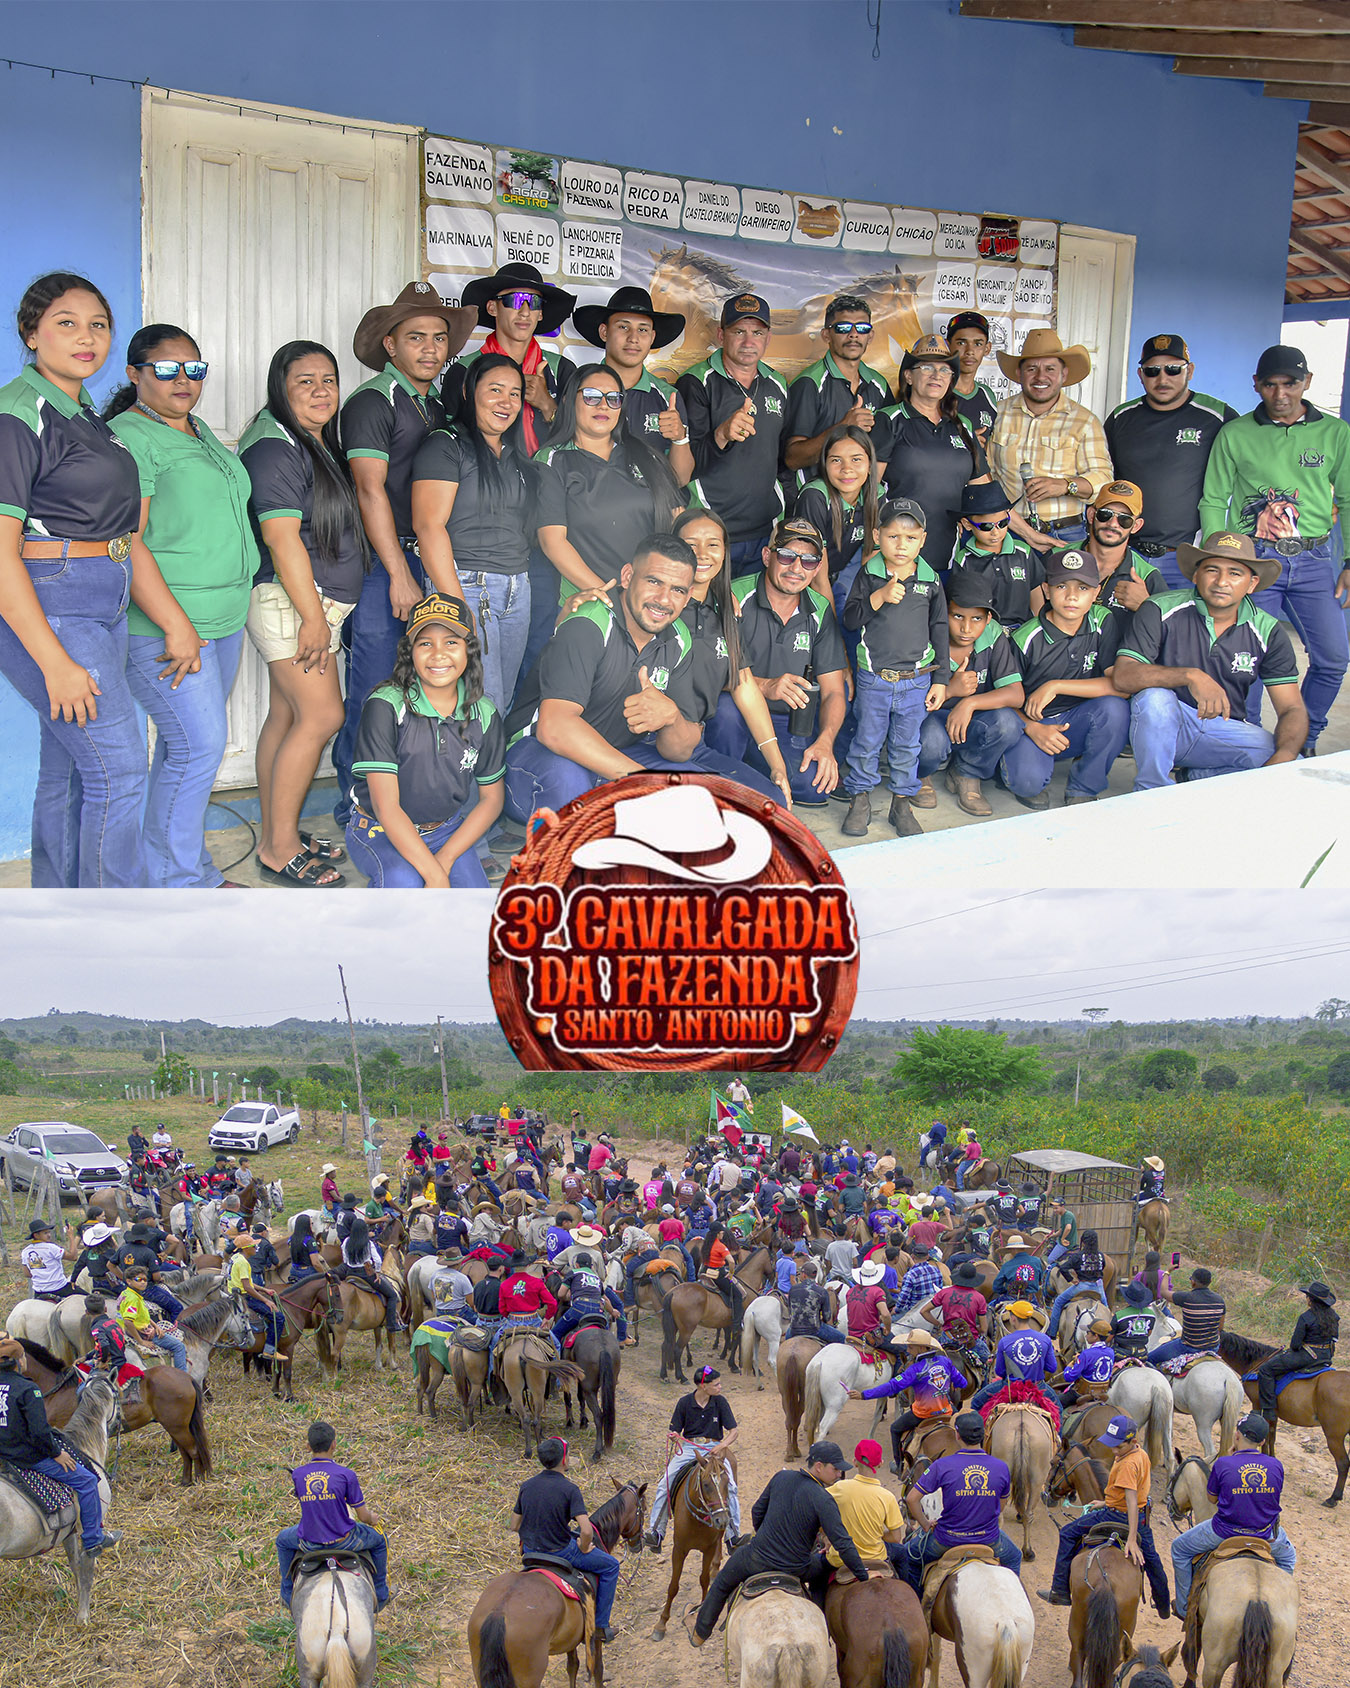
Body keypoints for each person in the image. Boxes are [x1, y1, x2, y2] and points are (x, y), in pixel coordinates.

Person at [0, 273, 146, 886]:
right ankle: (112, 930)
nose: (86, 337)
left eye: (99, 324)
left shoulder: (82, 411)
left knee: (67, 766)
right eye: (66, 322)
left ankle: (58, 913)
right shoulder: (19, 413)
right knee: (120, 770)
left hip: (100, 595)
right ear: (32, 333)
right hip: (54, 603)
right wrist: (55, 662)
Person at [100, 323, 254, 887]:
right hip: (167, 627)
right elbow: (128, 541)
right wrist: (175, 625)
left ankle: (179, 869)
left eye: (195, 368)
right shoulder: (130, 437)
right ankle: (178, 885)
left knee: (185, 750)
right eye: (167, 369)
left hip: (222, 619)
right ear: (135, 373)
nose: (183, 380)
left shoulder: (197, 432)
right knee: (198, 748)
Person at [332, 282, 475, 826]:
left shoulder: (435, 403)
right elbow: (370, 490)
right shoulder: (372, 402)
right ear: (390, 345)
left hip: (428, 557)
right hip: (382, 566)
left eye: (439, 338)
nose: (431, 348)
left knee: (427, 688)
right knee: (375, 693)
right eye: (416, 337)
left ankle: (413, 806)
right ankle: (358, 811)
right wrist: (398, 573)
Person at [240, 340, 366, 888]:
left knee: (287, 717)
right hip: (294, 604)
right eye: (304, 381)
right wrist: (313, 617)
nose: (320, 391)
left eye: (328, 380)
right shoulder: (274, 447)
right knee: (322, 717)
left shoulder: (306, 440)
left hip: (307, 603)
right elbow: (281, 536)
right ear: (280, 387)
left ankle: (278, 829)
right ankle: (278, 848)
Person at [1198, 343, 1350, 754]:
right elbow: (1214, 499)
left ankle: (1305, 739)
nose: (1280, 393)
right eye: (1270, 384)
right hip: (1253, 559)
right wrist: (1220, 559)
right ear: (1256, 385)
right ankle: (1245, 739)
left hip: (1315, 560)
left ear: (1307, 382)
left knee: (1333, 658)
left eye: (1290, 383)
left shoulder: (1336, 432)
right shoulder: (1236, 433)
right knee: (1242, 659)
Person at [503, 534, 705, 821]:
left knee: (701, 793)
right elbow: (555, 728)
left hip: (614, 757)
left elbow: (679, 751)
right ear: (627, 576)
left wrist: (671, 717)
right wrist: (642, 781)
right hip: (539, 757)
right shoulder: (589, 622)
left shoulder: (679, 639)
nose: (663, 599)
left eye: (677, 590)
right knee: (571, 785)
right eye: (654, 581)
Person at [1114, 530, 1307, 789]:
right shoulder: (1160, 608)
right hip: (1163, 727)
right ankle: (1151, 790)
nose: (1222, 581)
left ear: (1251, 583)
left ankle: (1196, 777)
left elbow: (1291, 708)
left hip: (1223, 730)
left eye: (1235, 573)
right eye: (1212, 570)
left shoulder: (1268, 630)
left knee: (1291, 762)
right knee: (1154, 699)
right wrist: (1190, 675)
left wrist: (1283, 758)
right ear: (1196, 575)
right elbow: (1123, 676)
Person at [343, 592, 504, 888]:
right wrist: (433, 875)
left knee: (473, 913)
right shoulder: (387, 706)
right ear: (410, 652)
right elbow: (387, 807)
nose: (438, 654)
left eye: (451, 642)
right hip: (378, 829)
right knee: (405, 884)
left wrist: (444, 860)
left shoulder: (485, 714)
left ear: (469, 651)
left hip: (445, 831)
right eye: (425, 643)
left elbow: (492, 799)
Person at [407, 355, 533, 728]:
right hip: (466, 586)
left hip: (516, 588)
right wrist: (457, 607)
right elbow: (428, 527)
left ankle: (489, 783)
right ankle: (466, 785)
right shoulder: (446, 445)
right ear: (468, 391)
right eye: (494, 390)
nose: (506, 402)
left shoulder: (511, 454)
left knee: (500, 702)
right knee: (478, 702)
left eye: (514, 393)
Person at [704, 516, 849, 806]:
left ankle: (750, 774)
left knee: (814, 786)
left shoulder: (819, 609)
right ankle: (725, 778)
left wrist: (825, 742)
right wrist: (765, 686)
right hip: (737, 717)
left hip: (785, 722)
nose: (796, 568)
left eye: (808, 561)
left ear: (818, 568)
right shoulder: (733, 595)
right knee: (726, 711)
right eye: (786, 556)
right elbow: (702, 675)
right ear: (767, 556)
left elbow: (834, 690)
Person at [662, 506, 793, 805]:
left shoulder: (725, 610)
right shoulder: (657, 604)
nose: (702, 553)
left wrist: (776, 764)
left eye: (712, 544)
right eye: (690, 544)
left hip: (694, 742)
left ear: (725, 552)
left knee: (773, 804)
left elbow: (743, 684)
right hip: (652, 742)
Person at [839, 496, 947, 840]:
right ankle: (860, 799)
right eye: (893, 536)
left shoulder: (930, 580)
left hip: (915, 681)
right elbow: (851, 619)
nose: (902, 546)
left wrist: (941, 679)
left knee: (907, 745)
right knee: (867, 741)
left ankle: (901, 801)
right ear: (877, 535)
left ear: (923, 540)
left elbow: (940, 627)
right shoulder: (868, 575)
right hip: (875, 679)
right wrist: (880, 596)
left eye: (911, 538)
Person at [687, 1440, 867, 1645]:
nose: (839, 1475)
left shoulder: (781, 1477)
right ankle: (822, 1624)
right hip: (797, 1567)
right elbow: (843, 1543)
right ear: (819, 1467)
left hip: (756, 1558)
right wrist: (863, 1576)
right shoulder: (823, 1498)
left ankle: (700, 1632)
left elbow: (757, 1512)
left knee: (721, 1584)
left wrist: (767, 1537)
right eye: (835, 1469)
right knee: (823, 1570)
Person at [1104, 334, 1238, 591]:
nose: (1163, 379)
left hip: (1187, 559)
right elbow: (1103, 477)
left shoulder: (1218, 416)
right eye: (1152, 371)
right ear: (1140, 375)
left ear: (1190, 371)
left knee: (1184, 630)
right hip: (1129, 555)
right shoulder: (1121, 418)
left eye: (1173, 369)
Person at [1001, 550, 1129, 810]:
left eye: (1083, 588)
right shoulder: (1025, 639)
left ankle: (1084, 785)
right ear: (1046, 590)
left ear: (1096, 593)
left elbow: (1120, 687)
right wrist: (1032, 728)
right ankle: (1010, 765)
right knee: (1028, 783)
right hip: (1033, 723)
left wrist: (1056, 685)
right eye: (1061, 586)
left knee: (1115, 709)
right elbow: (1002, 699)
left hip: (1078, 718)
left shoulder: (1102, 621)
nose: (1072, 596)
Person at [678, 293, 791, 572]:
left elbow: (781, 458)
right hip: (712, 534)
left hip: (766, 530)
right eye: (738, 331)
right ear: (721, 335)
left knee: (755, 612)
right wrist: (722, 435)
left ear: (768, 338)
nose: (748, 342)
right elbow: (685, 465)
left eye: (757, 332)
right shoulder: (696, 382)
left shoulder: (777, 383)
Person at [988, 329, 1111, 554]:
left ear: (1064, 374)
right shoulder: (997, 414)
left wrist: (1064, 486)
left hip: (1065, 533)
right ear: (1019, 373)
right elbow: (986, 477)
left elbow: (1103, 481)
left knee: (1065, 590)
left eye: (1050, 369)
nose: (1040, 377)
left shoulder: (1084, 421)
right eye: (1032, 368)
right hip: (1007, 530)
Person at [1170, 1412, 1297, 1623]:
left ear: (1236, 1436)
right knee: (1289, 1558)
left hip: (1224, 1532)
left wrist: (1230, 1461)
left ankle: (1183, 1608)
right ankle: (1283, 1605)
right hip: (1266, 1535)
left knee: (1179, 1549)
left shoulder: (1223, 1465)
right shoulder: (1276, 1466)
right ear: (1263, 1441)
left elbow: (1212, 1499)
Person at [1041, 1414, 1171, 1618]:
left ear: (1133, 1442)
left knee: (1067, 1533)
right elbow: (1127, 1494)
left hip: (1118, 1516)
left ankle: (1060, 1590)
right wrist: (1104, 1501)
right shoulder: (1140, 1455)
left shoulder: (1127, 1465)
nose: (1113, 1450)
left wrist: (1130, 1539)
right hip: (1138, 1516)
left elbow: (1131, 1500)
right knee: (1153, 1560)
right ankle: (1163, 1603)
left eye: (1118, 1446)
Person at [875, 335, 986, 575]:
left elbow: (985, 494)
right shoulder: (889, 420)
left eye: (945, 370)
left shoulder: (962, 426)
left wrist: (1030, 535)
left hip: (947, 555)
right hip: (897, 559)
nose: (937, 375)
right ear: (908, 376)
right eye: (926, 367)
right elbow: (868, 488)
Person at [916, 576, 1025, 818]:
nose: (967, 628)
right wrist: (951, 690)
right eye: (957, 617)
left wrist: (970, 702)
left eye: (977, 618)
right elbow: (904, 703)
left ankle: (966, 773)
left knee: (1009, 723)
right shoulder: (926, 634)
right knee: (930, 742)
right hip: (929, 720)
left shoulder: (992, 634)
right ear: (943, 613)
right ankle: (920, 774)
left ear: (988, 619)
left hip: (972, 721)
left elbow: (1016, 694)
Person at [0, 1336, 119, 1555]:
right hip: (26, 1457)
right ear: (19, 1361)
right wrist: (57, 1454)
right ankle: (93, 1539)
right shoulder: (28, 1390)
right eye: (24, 1357)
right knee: (87, 1480)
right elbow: (38, 1432)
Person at [574, 284, 693, 484]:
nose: (633, 338)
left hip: (651, 512)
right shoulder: (580, 388)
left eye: (643, 329)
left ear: (652, 337)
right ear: (604, 332)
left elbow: (680, 480)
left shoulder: (668, 396)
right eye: (623, 327)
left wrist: (679, 438)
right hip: (590, 509)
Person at [900, 1409, 1021, 1593]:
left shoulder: (942, 1465)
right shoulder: (1001, 1467)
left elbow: (911, 1499)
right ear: (984, 1434)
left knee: (908, 1556)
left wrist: (925, 1525)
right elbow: (1000, 1507)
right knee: (1014, 1557)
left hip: (946, 1539)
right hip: (989, 1539)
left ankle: (916, 1603)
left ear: (957, 1435)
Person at [512, 1436, 620, 1641]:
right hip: (560, 1551)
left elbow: (514, 1525)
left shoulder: (526, 1485)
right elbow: (586, 1530)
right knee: (611, 1566)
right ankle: (601, 1626)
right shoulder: (570, 1489)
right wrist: (585, 1546)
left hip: (530, 1552)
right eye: (569, 1455)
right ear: (564, 1460)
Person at [277, 1419, 389, 1611]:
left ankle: (287, 1593)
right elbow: (362, 1517)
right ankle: (381, 1592)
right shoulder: (346, 1475)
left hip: (309, 1541)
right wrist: (373, 1518)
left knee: (282, 1540)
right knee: (380, 1541)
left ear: (308, 1446)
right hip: (344, 1541)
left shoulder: (298, 1475)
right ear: (334, 1445)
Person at [784, 295, 891, 492]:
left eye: (862, 328)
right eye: (843, 328)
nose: (853, 334)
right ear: (826, 335)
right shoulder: (809, 383)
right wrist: (843, 427)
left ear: (871, 336)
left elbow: (885, 449)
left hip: (858, 506)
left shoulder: (879, 384)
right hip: (813, 503)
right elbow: (792, 458)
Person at [645, 1364, 742, 1551]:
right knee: (664, 1483)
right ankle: (656, 1532)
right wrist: (674, 1435)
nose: (720, 1387)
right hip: (690, 1447)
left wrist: (722, 1445)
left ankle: (732, 1536)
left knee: (731, 1486)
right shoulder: (684, 1403)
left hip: (715, 1447)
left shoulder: (720, 1402)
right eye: (716, 1384)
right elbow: (674, 1430)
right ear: (703, 1386)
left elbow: (734, 1431)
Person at [853, 1329, 968, 1470]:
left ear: (921, 1348)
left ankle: (899, 1465)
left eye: (911, 1347)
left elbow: (892, 1386)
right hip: (947, 1410)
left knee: (895, 1429)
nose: (907, 1349)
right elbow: (963, 1383)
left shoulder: (915, 1370)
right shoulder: (945, 1361)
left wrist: (864, 1395)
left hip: (923, 1414)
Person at [805, 1437, 905, 1597]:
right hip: (876, 1555)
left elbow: (818, 1514)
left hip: (839, 1558)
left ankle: (818, 1605)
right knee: (904, 1555)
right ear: (880, 1463)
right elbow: (896, 1537)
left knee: (816, 1575)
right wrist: (875, 1536)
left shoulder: (838, 1488)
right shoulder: (887, 1496)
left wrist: (826, 1536)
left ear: (855, 1462)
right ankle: (917, 1597)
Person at [948, 479, 1044, 633]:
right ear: (967, 524)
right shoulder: (964, 560)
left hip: (1024, 629)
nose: (995, 532)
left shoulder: (1023, 552)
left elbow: (1035, 591)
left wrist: (1038, 627)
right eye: (986, 526)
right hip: (986, 634)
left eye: (1002, 523)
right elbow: (962, 605)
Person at [1077, 480, 1168, 635]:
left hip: (1119, 658)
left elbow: (1169, 634)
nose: (1113, 524)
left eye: (1124, 519)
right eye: (1105, 514)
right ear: (1092, 515)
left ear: (1136, 526)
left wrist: (1145, 605)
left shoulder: (1147, 576)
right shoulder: (1060, 557)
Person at [1255, 1281, 1339, 1420]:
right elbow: (1334, 1339)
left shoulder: (1306, 1317)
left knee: (1266, 1370)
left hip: (1307, 1357)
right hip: (1326, 1356)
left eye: (1307, 1296)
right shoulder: (1334, 1316)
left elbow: (1295, 1345)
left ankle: (1268, 1410)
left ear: (1311, 1299)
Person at [971, 1302, 1060, 1413]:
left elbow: (999, 1371)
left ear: (1013, 1318)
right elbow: (1052, 1368)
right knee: (1059, 1410)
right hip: (1038, 1387)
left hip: (1009, 1387)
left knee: (976, 1402)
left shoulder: (1005, 1341)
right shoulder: (1045, 1339)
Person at [338, 1216, 404, 1335]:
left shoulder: (346, 1241)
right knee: (392, 1295)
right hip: (365, 1274)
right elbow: (378, 1260)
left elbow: (345, 1259)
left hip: (349, 1273)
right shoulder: (368, 1243)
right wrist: (377, 1273)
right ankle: (391, 1323)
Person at [551, 1251, 629, 1350]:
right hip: (598, 1310)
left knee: (554, 1334)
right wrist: (613, 1311)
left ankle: (555, 1360)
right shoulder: (597, 1278)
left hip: (579, 1309)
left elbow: (561, 1294)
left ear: (577, 1264)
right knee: (606, 1340)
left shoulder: (573, 1272)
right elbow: (605, 1299)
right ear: (592, 1266)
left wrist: (569, 1296)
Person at [1149, 1268, 1226, 1367]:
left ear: (1192, 1282)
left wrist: (1167, 1272)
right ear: (1210, 1282)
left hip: (1188, 1347)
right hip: (1213, 1347)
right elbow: (1220, 1328)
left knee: (1150, 1358)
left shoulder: (1186, 1297)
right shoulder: (1220, 1300)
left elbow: (1163, 1292)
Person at [117, 1267, 188, 1371]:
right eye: (138, 1280)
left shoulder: (127, 1294)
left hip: (138, 1328)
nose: (143, 1283)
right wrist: (141, 1341)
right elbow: (128, 1321)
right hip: (143, 1333)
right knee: (179, 1346)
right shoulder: (133, 1299)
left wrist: (156, 1326)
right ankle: (182, 1375)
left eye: (145, 1280)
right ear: (129, 1281)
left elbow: (142, 1315)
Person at [946, 313, 1001, 445]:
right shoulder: (935, 391)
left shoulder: (987, 395)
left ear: (987, 349)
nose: (969, 351)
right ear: (948, 346)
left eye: (978, 343)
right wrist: (962, 441)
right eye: (961, 342)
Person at [226, 1233, 283, 1360]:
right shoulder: (243, 1263)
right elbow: (247, 1287)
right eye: (253, 1246)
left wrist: (264, 1289)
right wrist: (266, 1301)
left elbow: (248, 1283)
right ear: (246, 1248)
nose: (255, 1248)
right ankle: (270, 1350)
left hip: (233, 1295)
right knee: (278, 1317)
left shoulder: (235, 1257)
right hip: (245, 1298)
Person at [923, 1261, 990, 1363]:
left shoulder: (944, 1293)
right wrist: (974, 1328)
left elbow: (924, 1311)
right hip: (969, 1338)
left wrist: (939, 1324)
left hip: (948, 1337)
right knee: (986, 1358)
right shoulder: (979, 1298)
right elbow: (984, 1328)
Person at [1046, 1231, 1109, 1337]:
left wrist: (1071, 1279)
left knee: (1058, 1301)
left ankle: (1052, 1333)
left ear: (1083, 1242)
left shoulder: (1078, 1256)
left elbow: (1063, 1268)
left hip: (1082, 1286)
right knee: (1106, 1308)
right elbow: (1102, 1267)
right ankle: (1109, 1332)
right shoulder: (1101, 1256)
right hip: (1098, 1286)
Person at [844, 1259, 903, 1364]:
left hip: (852, 1334)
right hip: (870, 1335)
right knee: (903, 1351)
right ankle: (896, 1378)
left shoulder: (850, 1292)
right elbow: (885, 1314)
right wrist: (888, 1329)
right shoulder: (877, 1291)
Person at [1058, 1319, 1117, 1408]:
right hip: (1102, 1393)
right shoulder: (1111, 1352)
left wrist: (1069, 1367)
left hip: (1082, 1393)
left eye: (1088, 1333)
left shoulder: (1086, 1354)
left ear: (1096, 1336)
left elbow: (1069, 1377)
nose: (1086, 1336)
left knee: (1054, 1403)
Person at [21, 1218, 77, 1302]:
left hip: (39, 1291)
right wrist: (71, 1236)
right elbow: (73, 1257)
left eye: (49, 1232)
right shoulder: (51, 1247)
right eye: (45, 1233)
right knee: (89, 1299)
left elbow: (27, 1274)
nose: (49, 1235)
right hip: (60, 1288)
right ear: (36, 1235)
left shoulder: (25, 1251)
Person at [1111, 1282, 1158, 1361]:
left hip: (1121, 1353)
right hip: (1141, 1354)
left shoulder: (1119, 1315)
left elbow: (1110, 1337)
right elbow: (1149, 1333)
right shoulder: (1151, 1314)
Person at [894, 1247, 944, 1317]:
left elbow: (903, 1298)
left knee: (884, 1325)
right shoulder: (936, 1270)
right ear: (927, 1256)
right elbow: (939, 1291)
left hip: (913, 1311)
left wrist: (896, 1310)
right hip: (932, 1309)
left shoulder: (910, 1275)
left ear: (912, 1256)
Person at [289, 1213, 326, 1283]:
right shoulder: (310, 1241)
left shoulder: (291, 1239)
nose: (312, 1226)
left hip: (293, 1270)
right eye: (311, 1224)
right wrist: (324, 1274)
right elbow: (315, 1263)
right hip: (308, 1272)